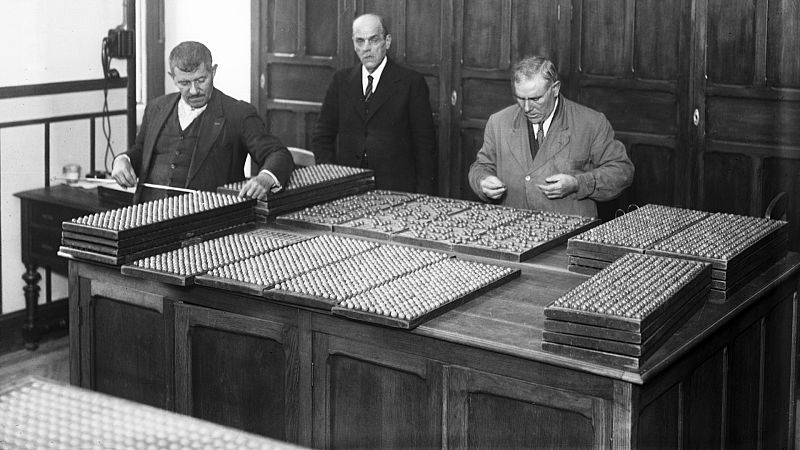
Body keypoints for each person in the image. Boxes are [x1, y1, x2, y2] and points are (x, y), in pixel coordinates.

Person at [112, 41, 294, 203]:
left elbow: (278, 153)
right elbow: (140, 151)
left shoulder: (238, 113)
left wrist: (265, 178)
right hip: (148, 214)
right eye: (184, 83)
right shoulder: (156, 107)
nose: (193, 91)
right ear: (172, 77)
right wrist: (123, 160)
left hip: (207, 220)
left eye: (201, 80)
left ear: (213, 71)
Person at [468, 56, 634, 217]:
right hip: (512, 232)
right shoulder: (498, 121)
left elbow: (622, 171)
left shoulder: (591, 123)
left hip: (569, 233)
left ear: (555, 89)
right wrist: (483, 181)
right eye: (520, 98)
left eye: (535, 99)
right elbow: (481, 166)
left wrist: (578, 184)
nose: (526, 108)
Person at [311, 13, 437, 194]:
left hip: (396, 190)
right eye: (360, 41)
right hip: (348, 187)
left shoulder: (411, 82)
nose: (366, 48)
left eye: (373, 40)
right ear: (354, 44)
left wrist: (422, 195)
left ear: (387, 41)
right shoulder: (341, 80)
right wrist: (332, 178)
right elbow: (322, 135)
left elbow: (425, 146)